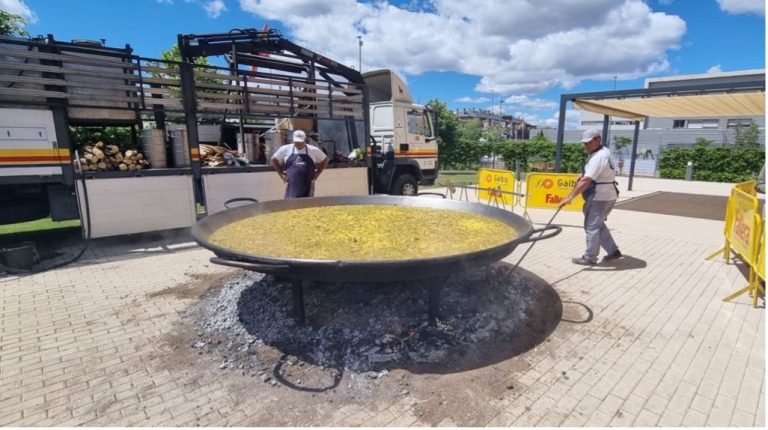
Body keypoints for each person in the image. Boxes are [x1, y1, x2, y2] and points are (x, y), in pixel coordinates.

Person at [559, 129, 622, 265]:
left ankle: (590, 257)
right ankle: (613, 251)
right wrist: (584, 175)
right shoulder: (604, 151)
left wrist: (569, 198)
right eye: (585, 143)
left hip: (599, 196)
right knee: (598, 225)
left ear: (597, 139)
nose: (586, 146)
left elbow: (586, 181)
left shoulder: (599, 156)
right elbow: (596, 173)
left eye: (588, 143)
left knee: (591, 227)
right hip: (609, 195)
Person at [271, 130, 328, 199]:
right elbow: (274, 159)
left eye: (301, 142)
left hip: (308, 183)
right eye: (296, 142)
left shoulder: (313, 150)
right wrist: (281, 175)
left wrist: (318, 172)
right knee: (291, 204)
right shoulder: (285, 149)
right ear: (293, 140)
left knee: (307, 204)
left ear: (305, 140)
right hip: (292, 184)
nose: (299, 144)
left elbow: (325, 160)